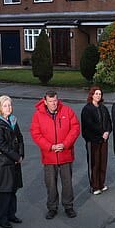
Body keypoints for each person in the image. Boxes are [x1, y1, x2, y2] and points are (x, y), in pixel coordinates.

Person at [30, 90, 81, 220]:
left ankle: (68, 206)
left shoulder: (67, 111)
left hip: (65, 153)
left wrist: (65, 144)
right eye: (51, 101)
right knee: (51, 184)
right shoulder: (38, 115)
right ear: (45, 102)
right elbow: (36, 134)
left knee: (67, 182)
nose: (54, 104)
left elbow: (75, 128)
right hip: (49, 155)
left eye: (55, 101)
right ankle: (52, 208)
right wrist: (50, 146)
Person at [0, 95, 24, 228]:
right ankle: (1, 218)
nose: (8, 108)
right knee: (4, 190)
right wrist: (16, 157)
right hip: (3, 162)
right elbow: (1, 144)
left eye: (9, 105)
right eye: (5, 105)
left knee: (13, 189)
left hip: (13, 160)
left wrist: (21, 154)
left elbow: (20, 138)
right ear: (0, 108)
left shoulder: (12, 121)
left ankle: (11, 214)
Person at [81, 86, 112, 195]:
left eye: (100, 94)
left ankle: (101, 184)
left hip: (103, 140)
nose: (98, 96)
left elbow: (109, 121)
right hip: (92, 140)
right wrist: (101, 133)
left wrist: (107, 131)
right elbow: (89, 125)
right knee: (94, 163)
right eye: (96, 94)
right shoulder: (87, 109)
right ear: (92, 95)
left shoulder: (103, 108)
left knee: (103, 162)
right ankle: (94, 186)